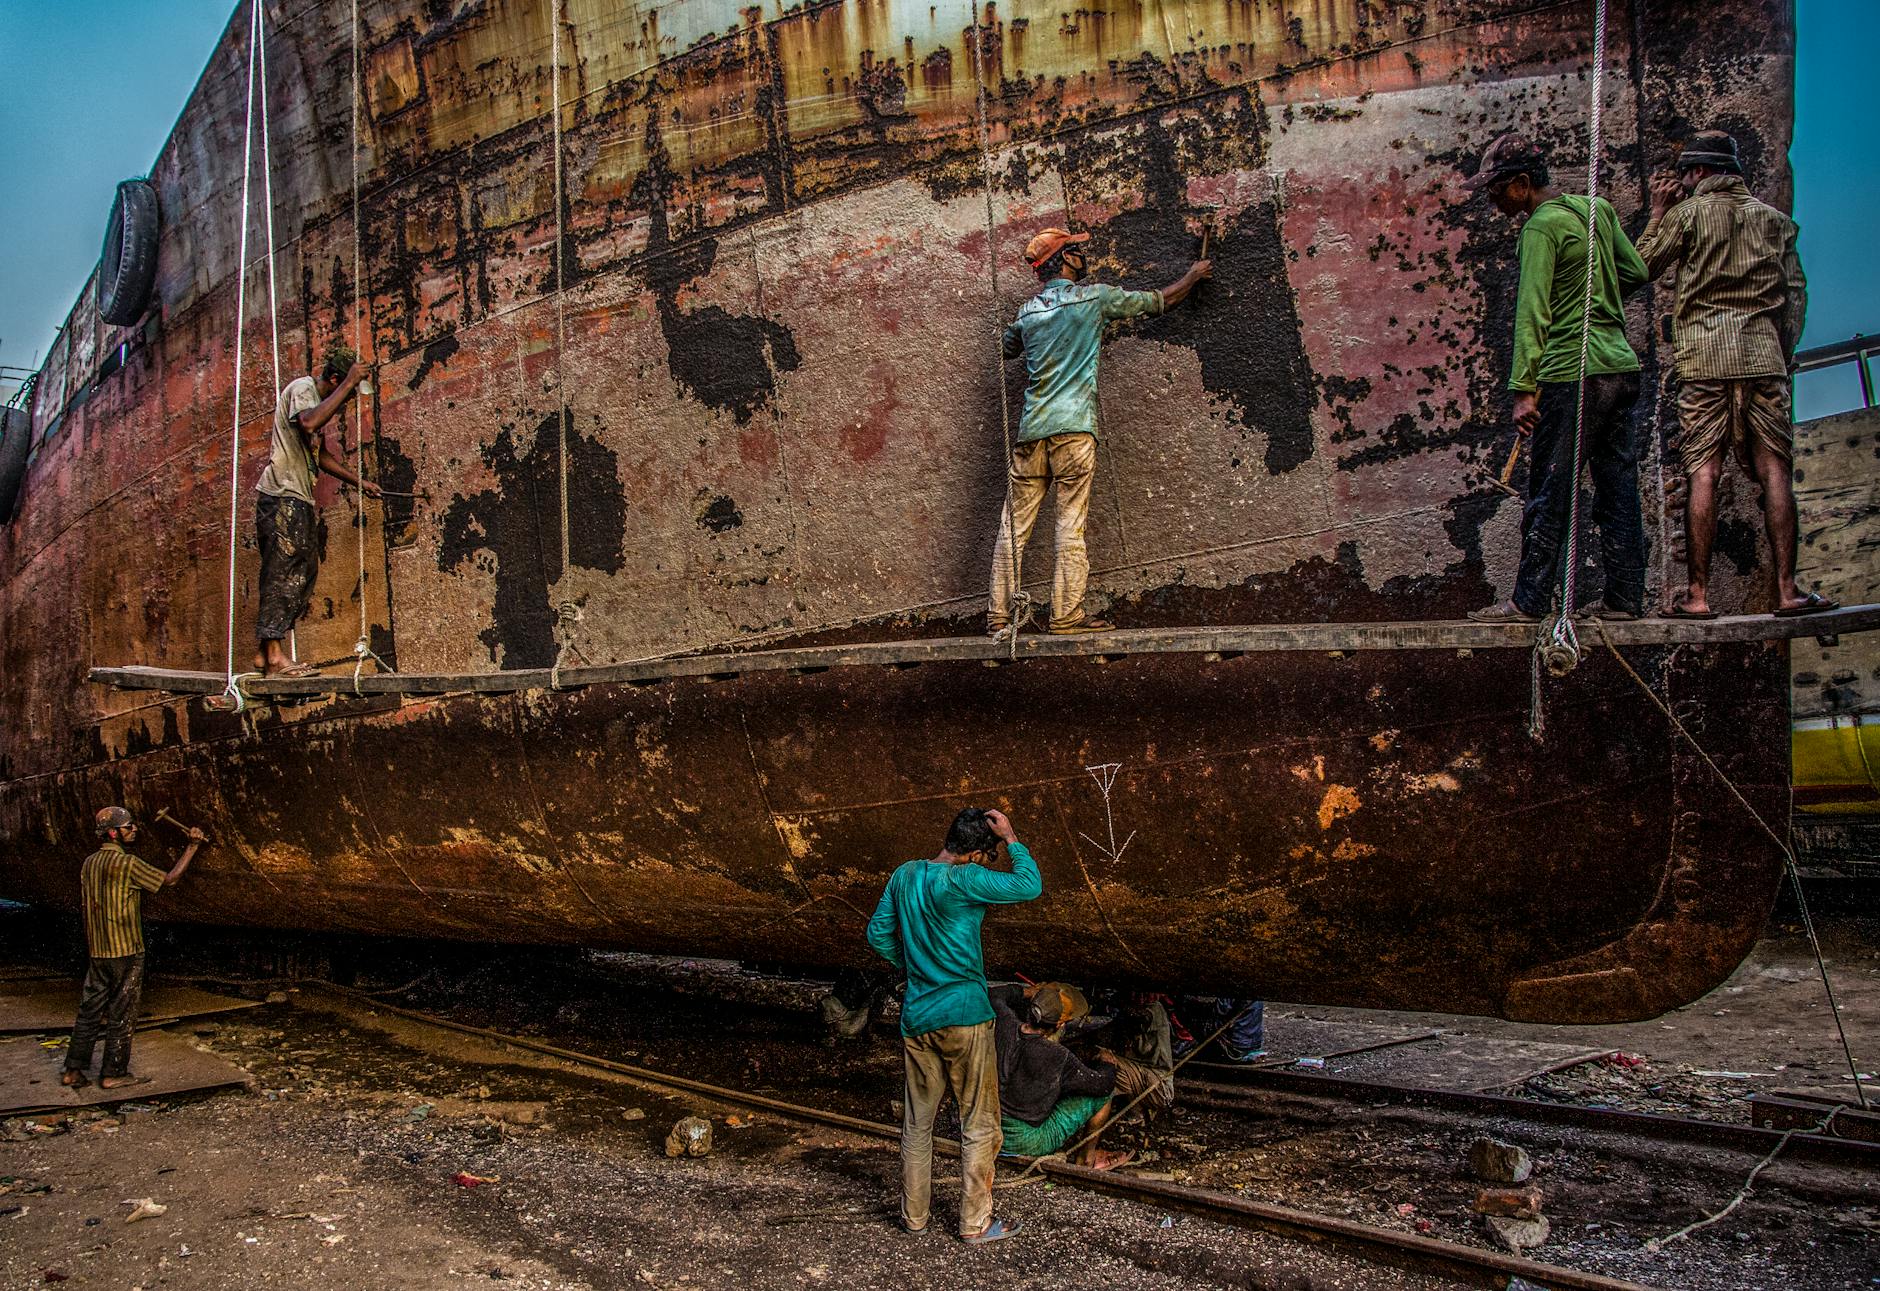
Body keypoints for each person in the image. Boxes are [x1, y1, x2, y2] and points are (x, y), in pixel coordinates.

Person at [1635, 130, 1832, 620]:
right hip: (1763, 356)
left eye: (1686, 175)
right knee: (1774, 470)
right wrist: (1781, 355)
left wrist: (1658, 213)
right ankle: (1787, 591)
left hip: (1704, 357)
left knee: (1704, 470)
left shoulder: (1687, 215)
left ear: (1699, 173)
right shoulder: (1777, 222)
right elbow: (1795, 298)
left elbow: (1637, 268)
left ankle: (1698, 596)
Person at [1461, 135, 1651, 624]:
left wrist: (1523, 389)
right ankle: (1625, 599)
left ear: (1522, 185)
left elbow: (1532, 313)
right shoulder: (1597, 211)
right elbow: (1634, 270)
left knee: (1550, 489)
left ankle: (1527, 603)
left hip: (1574, 372)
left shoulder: (1540, 229)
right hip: (1620, 368)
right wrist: (1596, 290)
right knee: (1618, 487)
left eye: (1496, 189)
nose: (1492, 200)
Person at [987, 229, 1212, 639]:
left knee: (1012, 528)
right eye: (1077, 251)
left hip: (1031, 433)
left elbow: (1006, 348)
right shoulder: (1095, 298)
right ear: (1067, 260)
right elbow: (1157, 302)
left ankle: (999, 617)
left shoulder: (1026, 313)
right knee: (1069, 526)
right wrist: (1193, 277)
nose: (1082, 256)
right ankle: (1066, 616)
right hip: (1074, 431)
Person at [865, 807, 1041, 1243]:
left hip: (918, 1017)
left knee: (917, 1126)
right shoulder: (964, 879)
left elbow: (877, 933)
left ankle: (914, 1218)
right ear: (977, 852)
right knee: (979, 1125)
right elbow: (1028, 884)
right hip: (964, 1016)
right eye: (987, 853)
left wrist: (911, 966)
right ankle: (975, 1223)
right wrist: (1012, 838)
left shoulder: (905, 875)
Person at [255, 343, 382, 677]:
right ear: (337, 378)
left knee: (304, 572)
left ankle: (264, 653)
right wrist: (349, 383)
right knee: (283, 573)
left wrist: (359, 482)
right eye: (351, 390)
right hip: (281, 496)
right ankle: (273, 657)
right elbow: (309, 423)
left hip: (297, 499)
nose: (351, 399)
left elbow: (319, 455)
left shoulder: (314, 402)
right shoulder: (303, 390)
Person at [60, 807, 205, 1090]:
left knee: (89, 1011)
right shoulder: (128, 864)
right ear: (114, 833)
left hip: (99, 950)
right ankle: (113, 1073)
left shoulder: (88, 863)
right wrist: (192, 846)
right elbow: (170, 879)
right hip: (126, 949)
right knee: (122, 1013)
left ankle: (73, 1070)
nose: (134, 829)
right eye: (129, 827)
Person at [988, 983, 1132, 1169]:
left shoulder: (1005, 1024)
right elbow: (1103, 1085)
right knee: (1104, 1097)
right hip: (1024, 1142)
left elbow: (993, 994)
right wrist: (1107, 1063)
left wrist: (1028, 992)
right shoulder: (1058, 1056)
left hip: (986, 1129)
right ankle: (1086, 1159)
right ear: (1059, 1025)